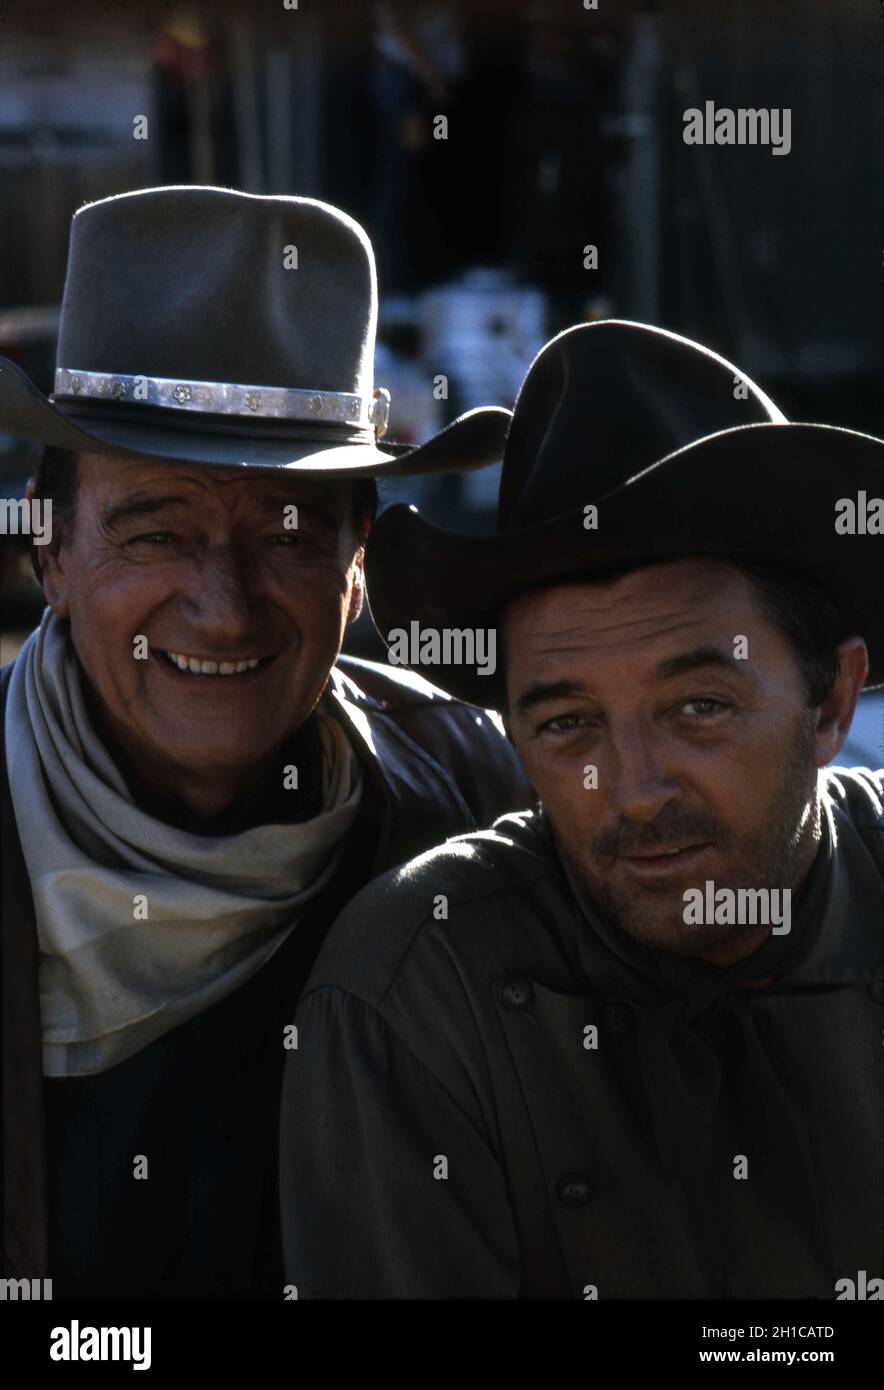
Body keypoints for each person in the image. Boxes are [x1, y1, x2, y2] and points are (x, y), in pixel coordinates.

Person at [280, 320, 884, 1299]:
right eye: (567, 724)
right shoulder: (413, 994)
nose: (636, 787)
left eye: (697, 708)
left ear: (828, 704)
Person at [0, 184, 529, 1297]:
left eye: (286, 534)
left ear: (358, 561)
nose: (225, 605)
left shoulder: (483, 802)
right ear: (46, 552)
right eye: (156, 530)